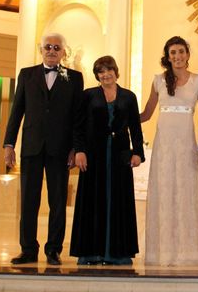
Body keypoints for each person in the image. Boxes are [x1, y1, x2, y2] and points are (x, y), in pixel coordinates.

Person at [3, 33, 84, 266]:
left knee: (58, 201)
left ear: (63, 52)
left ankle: (53, 250)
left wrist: (75, 148)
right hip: (31, 148)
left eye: (56, 47)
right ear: (41, 50)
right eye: (47, 47)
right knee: (29, 200)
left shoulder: (74, 78)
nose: (51, 50)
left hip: (60, 150)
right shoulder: (27, 74)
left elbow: (78, 118)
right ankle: (28, 249)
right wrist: (9, 144)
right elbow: (16, 111)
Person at [140, 36, 198, 265]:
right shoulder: (158, 81)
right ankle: (161, 251)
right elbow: (146, 114)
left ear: (187, 54)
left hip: (185, 146)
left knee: (185, 194)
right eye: (173, 53)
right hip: (164, 147)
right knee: (164, 193)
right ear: (168, 56)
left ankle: (186, 252)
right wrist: (117, 121)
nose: (177, 56)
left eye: (181, 52)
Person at [70, 56, 145, 265]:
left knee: (119, 201)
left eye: (108, 70)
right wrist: (80, 151)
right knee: (92, 200)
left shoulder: (129, 97)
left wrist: (137, 152)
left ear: (116, 71)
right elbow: (78, 126)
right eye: (101, 71)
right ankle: (91, 252)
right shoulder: (88, 95)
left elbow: (135, 128)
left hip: (120, 156)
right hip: (93, 155)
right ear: (97, 75)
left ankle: (118, 253)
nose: (105, 74)